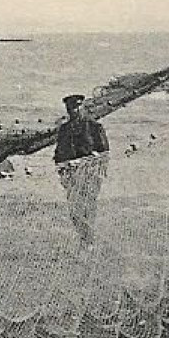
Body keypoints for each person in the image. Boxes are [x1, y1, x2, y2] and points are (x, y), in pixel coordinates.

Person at [53, 94, 109, 246]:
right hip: (71, 177)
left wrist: (89, 162)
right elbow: (58, 155)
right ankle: (85, 239)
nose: (74, 111)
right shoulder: (64, 130)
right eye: (71, 108)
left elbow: (104, 153)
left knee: (87, 207)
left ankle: (88, 242)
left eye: (77, 107)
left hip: (90, 174)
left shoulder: (94, 127)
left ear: (82, 107)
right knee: (74, 211)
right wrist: (63, 171)